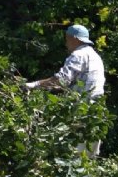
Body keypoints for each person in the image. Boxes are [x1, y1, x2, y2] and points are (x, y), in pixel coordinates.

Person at [24, 24, 106, 156]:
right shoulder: (96, 57)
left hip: (81, 110)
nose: (66, 43)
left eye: (67, 39)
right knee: (88, 161)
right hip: (96, 114)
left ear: (74, 38)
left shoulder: (78, 55)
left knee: (71, 157)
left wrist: (33, 85)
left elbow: (61, 81)